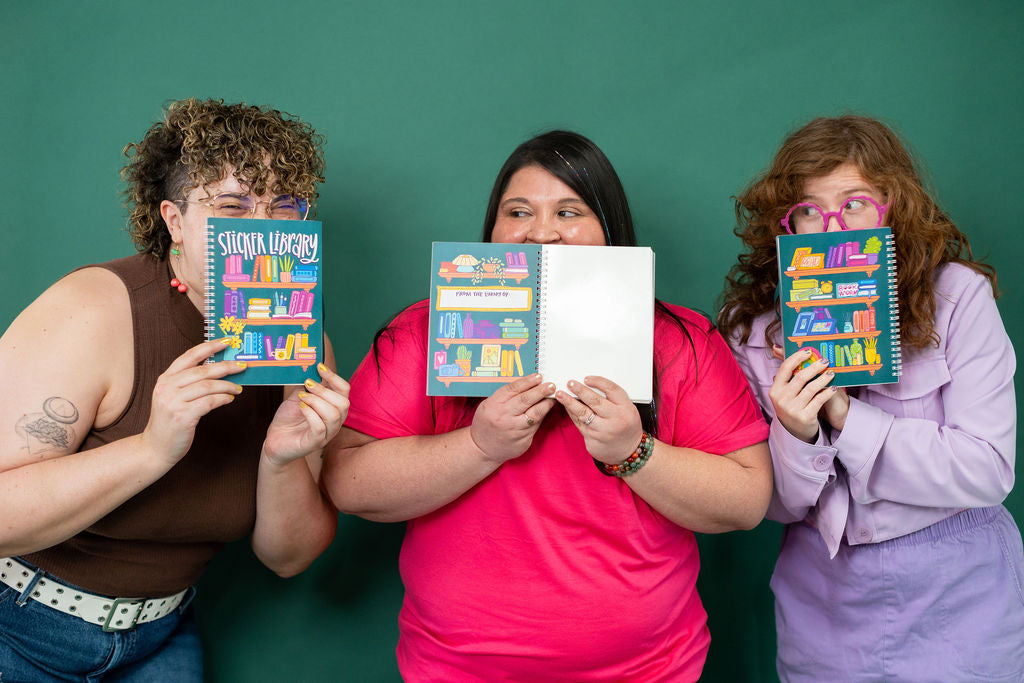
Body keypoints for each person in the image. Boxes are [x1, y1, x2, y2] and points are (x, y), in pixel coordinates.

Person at [322, 130, 772, 681]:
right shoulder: (422, 332)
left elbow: (746, 499)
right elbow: (347, 482)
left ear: (610, 230)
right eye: (517, 212)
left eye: (569, 211)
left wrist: (634, 452)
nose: (540, 233)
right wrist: (479, 445)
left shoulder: (681, 341)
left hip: (647, 670)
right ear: (492, 232)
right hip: (455, 669)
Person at [0, 98, 348, 681]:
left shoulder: (303, 349)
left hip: (160, 637)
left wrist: (281, 459)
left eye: (284, 208)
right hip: (20, 624)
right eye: (234, 206)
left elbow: (289, 558)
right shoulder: (94, 309)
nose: (261, 232)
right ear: (174, 221)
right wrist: (150, 448)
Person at [718, 115, 1023, 681]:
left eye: (856, 203)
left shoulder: (959, 297)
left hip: (961, 594)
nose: (833, 226)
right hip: (823, 603)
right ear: (785, 225)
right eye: (809, 209)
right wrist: (797, 432)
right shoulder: (753, 332)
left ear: (894, 208)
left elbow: (988, 468)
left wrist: (844, 413)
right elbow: (774, 506)